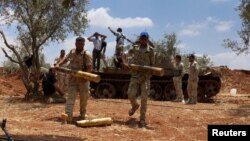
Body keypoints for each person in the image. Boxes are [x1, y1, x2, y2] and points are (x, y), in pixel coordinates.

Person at [55, 37, 92, 123]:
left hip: (83, 79)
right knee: (70, 97)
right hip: (72, 79)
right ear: (75, 44)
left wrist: (84, 77)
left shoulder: (87, 54)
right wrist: (58, 64)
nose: (80, 45)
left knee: (84, 98)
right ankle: (68, 116)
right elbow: (65, 59)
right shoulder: (72, 52)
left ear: (84, 44)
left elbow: (89, 68)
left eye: (81, 44)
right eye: (78, 43)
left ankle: (82, 114)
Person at [124, 31, 155, 128]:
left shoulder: (151, 50)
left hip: (145, 77)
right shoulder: (134, 48)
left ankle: (142, 119)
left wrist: (150, 72)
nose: (143, 39)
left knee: (144, 98)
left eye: (145, 38)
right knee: (130, 94)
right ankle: (134, 106)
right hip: (135, 75)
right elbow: (124, 54)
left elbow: (152, 64)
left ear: (147, 39)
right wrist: (125, 63)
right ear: (140, 39)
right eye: (142, 38)